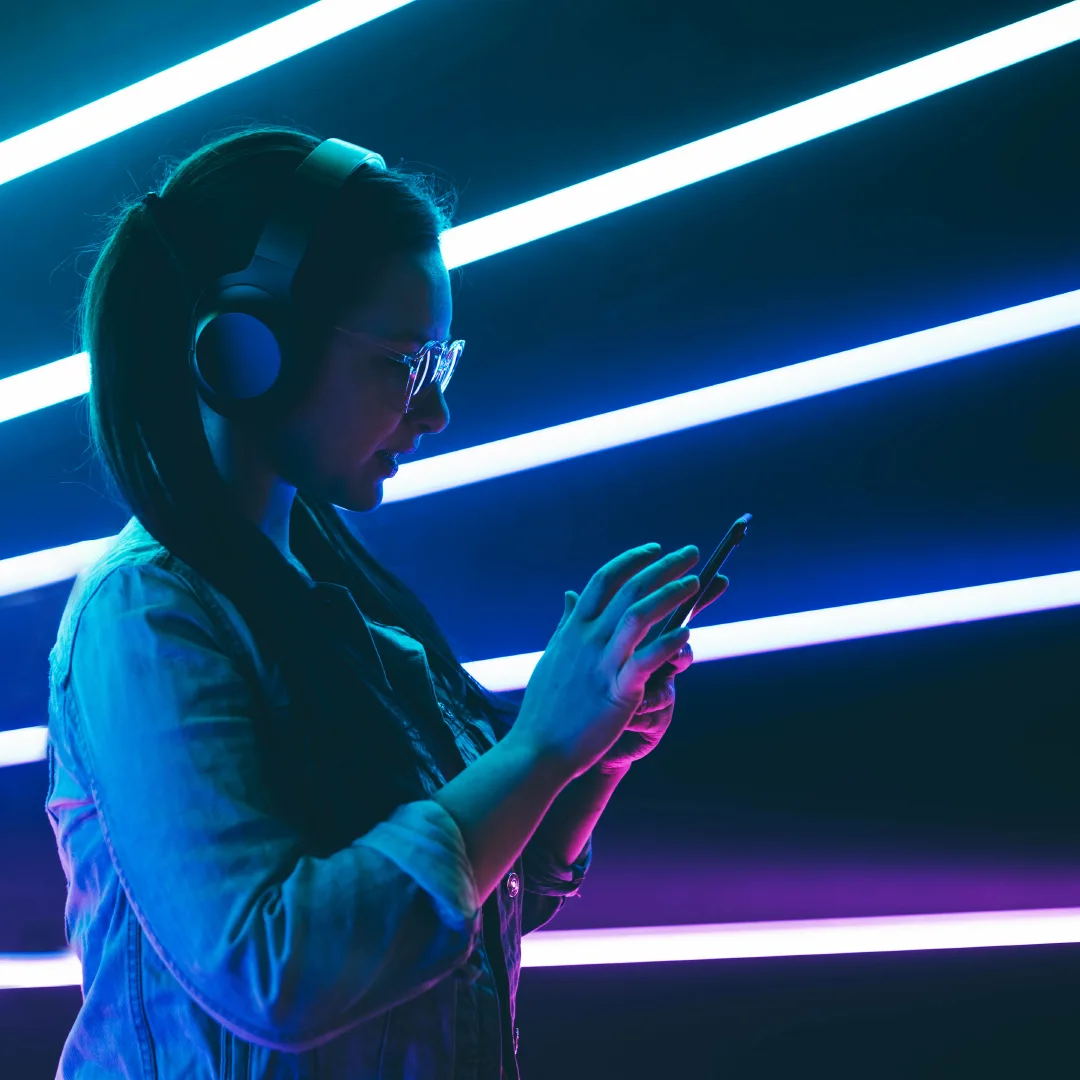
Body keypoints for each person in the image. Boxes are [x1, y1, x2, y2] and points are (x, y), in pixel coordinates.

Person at [44, 126, 728, 1079]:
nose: (436, 410)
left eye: (439, 363)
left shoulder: (347, 605)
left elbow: (455, 911)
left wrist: (585, 760)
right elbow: (281, 972)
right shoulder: (146, 620)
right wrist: (536, 748)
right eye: (405, 364)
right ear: (250, 351)